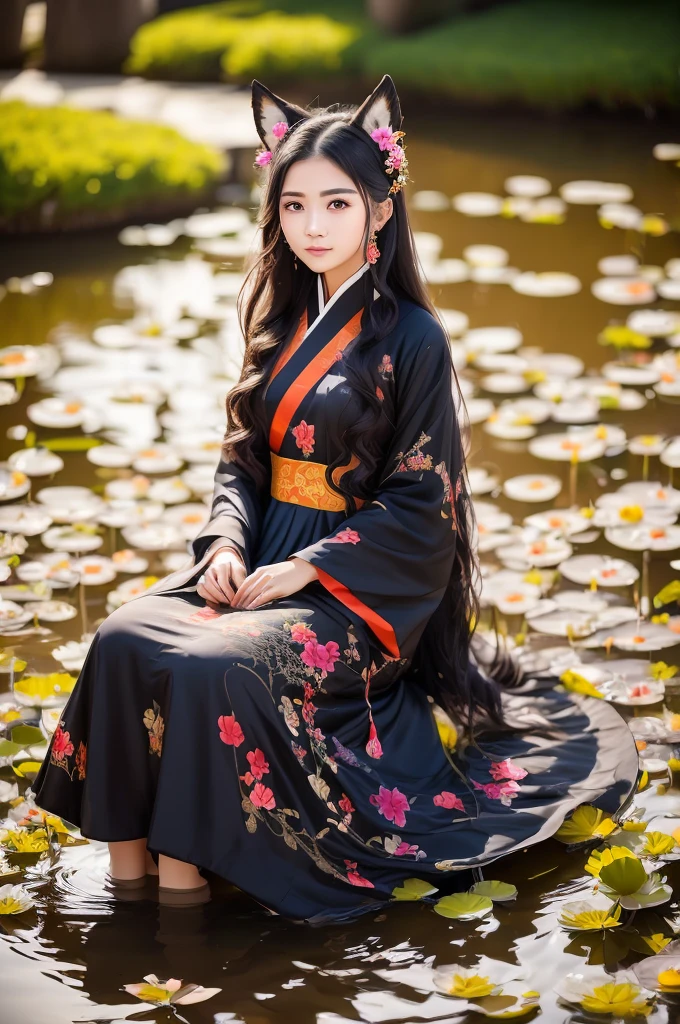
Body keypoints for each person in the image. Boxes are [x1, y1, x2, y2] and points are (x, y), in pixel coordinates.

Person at [32, 75, 638, 923]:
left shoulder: (415, 341)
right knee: (123, 636)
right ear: (275, 214)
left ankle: (180, 906)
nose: (313, 227)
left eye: (337, 205)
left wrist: (307, 570)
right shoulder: (277, 317)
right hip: (258, 562)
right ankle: (129, 887)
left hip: (355, 597)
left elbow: (425, 503)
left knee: (213, 668)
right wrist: (227, 546)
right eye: (293, 208)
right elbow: (242, 460)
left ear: (380, 210)